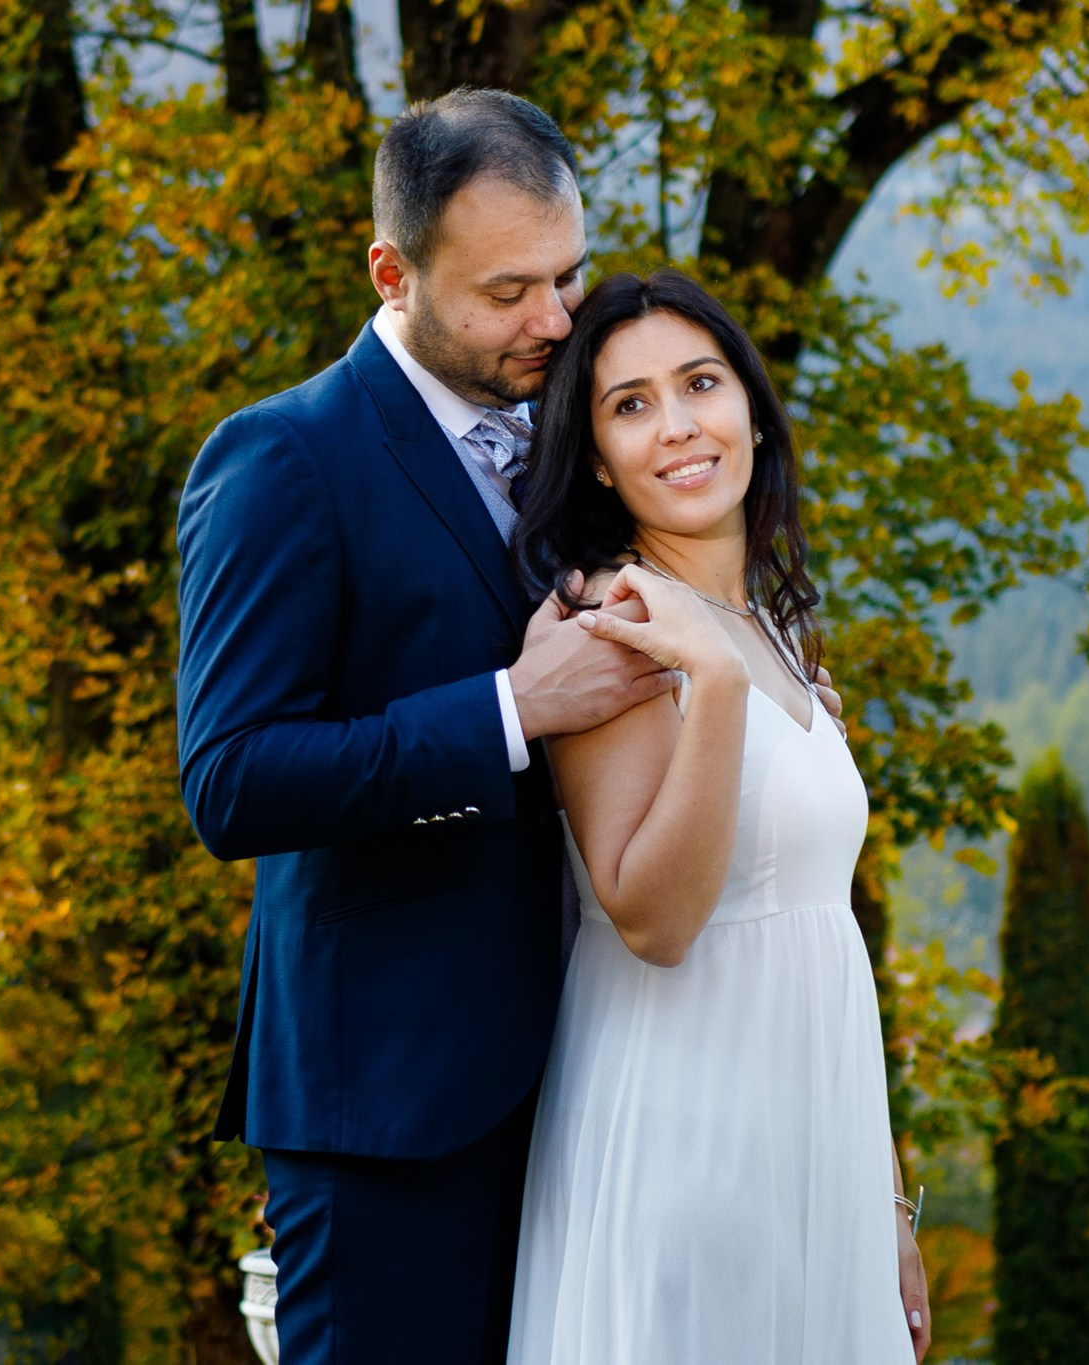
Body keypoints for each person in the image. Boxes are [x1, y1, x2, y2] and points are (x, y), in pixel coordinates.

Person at [176, 90, 700, 1361]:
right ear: (390, 272)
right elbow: (234, 780)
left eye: (569, 275)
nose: (555, 321)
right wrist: (512, 710)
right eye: (507, 291)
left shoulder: (583, 440)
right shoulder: (283, 461)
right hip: (389, 1113)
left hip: (598, 1089)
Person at [503, 268, 931, 1362]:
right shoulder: (615, 623)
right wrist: (719, 696)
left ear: (749, 405)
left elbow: (822, 933)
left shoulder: (775, 626)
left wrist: (881, 1202)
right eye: (630, 404)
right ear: (596, 457)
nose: (679, 427)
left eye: (700, 383)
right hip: (687, 1149)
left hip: (817, 1157)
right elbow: (651, 918)